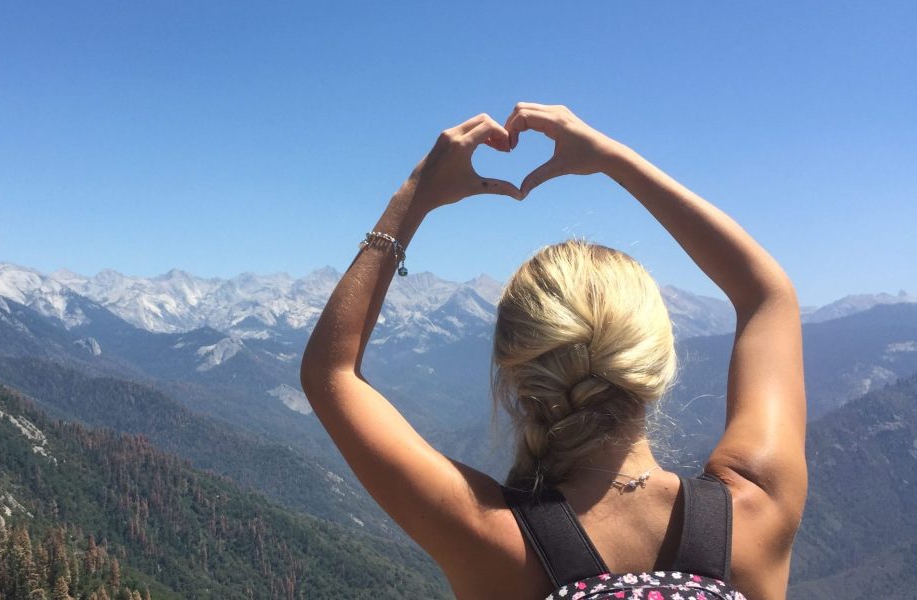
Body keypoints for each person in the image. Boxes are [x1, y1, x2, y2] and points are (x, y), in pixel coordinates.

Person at [300, 103, 807, 599]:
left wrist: (414, 193)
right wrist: (613, 158)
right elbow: (767, 297)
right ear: (658, 360)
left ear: (511, 371)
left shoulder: (496, 540)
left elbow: (331, 372)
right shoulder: (756, 513)